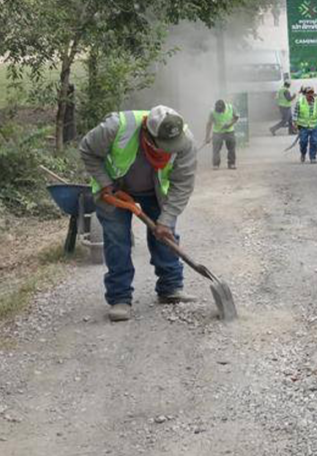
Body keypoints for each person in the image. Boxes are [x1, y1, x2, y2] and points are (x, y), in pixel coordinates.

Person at [79, 106, 197, 322]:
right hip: (116, 188)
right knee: (117, 240)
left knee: (166, 234)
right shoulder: (116, 127)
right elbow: (87, 149)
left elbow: (183, 184)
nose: (167, 150)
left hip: (155, 191)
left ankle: (170, 288)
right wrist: (105, 183)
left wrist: (166, 219)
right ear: (147, 134)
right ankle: (120, 298)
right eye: (163, 146)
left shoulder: (185, 140)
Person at [204, 99, 240, 170]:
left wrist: (230, 124)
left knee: (231, 148)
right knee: (216, 149)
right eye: (218, 111)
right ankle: (216, 164)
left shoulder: (231, 107)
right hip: (217, 132)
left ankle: (231, 163)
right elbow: (209, 124)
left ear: (224, 108)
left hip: (229, 131)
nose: (219, 113)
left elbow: (236, 117)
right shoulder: (212, 112)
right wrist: (207, 137)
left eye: (221, 111)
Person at [293, 85, 317, 163]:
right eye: (308, 93)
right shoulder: (300, 101)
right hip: (303, 126)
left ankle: (312, 157)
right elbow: (296, 113)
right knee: (303, 142)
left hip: (315, 125)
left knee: (314, 141)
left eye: (312, 92)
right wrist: (295, 124)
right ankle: (303, 154)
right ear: (305, 94)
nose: (310, 94)